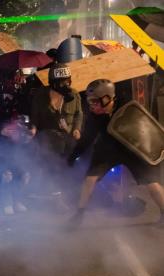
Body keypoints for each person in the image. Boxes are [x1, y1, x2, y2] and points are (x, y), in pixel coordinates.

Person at [68, 79, 164, 225]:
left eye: (95, 101)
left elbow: (145, 131)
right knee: (90, 180)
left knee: (152, 183)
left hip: (133, 150)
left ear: (107, 98)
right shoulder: (95, 117)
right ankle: (78, 216)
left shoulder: (128, 109)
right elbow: (87, 138)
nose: (92, 105)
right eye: (90, 102)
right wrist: (75, 154)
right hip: (108, 149)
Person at [30, 63, 83, 197]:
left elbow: (79, 114)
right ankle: (54, 193)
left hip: (68, 137)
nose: (66, 85)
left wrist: (77, 129)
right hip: (48, 137)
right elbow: (35, 117)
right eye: (62, 82)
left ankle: (74, 190)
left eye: (68, 81)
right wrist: (33, 128)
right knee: (54, 158)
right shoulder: (41, 95)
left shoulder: (74, 95)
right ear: (54, 83)